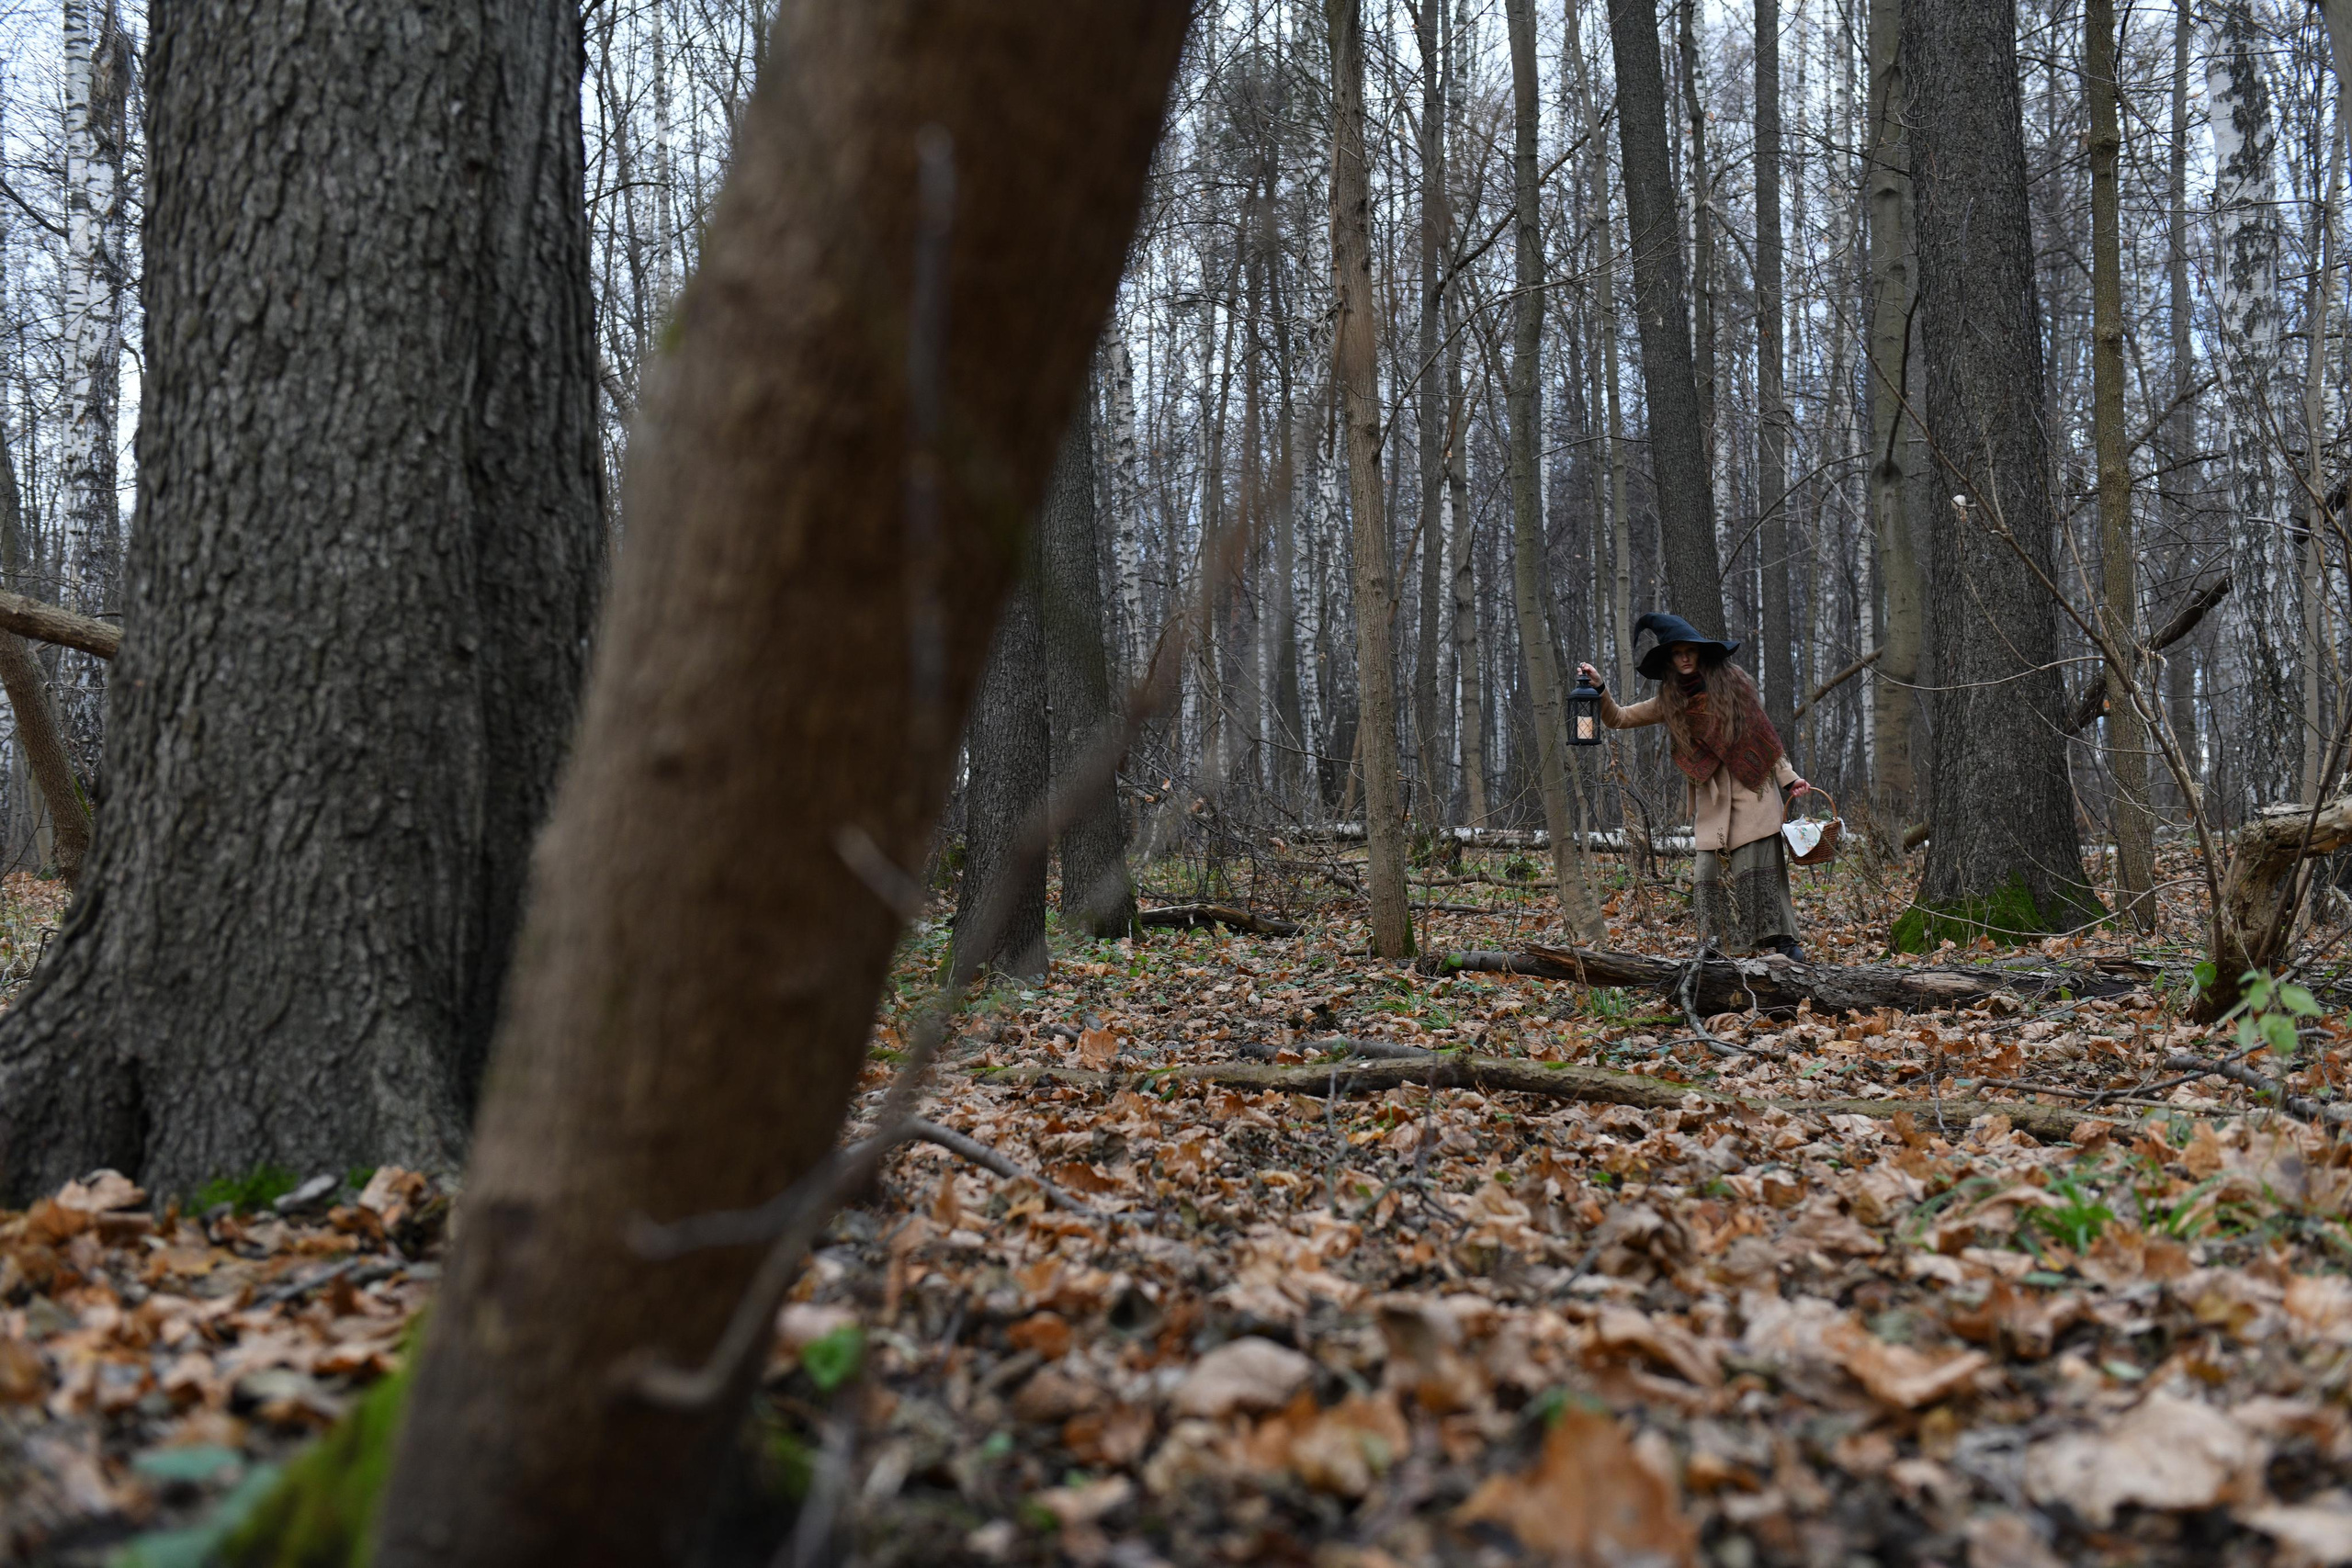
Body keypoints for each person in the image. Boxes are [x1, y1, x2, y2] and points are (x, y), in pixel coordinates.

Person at [1577, 611, 1812, 963]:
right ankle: (1719, 946)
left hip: (1754, 791)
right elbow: (1619, 718)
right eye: (1677, 652)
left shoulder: (1733, 686)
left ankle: (1783, 944)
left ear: (1701, 653)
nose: (1685, 657)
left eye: (1690, 650)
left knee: (1757, 871)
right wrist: (1599, 688)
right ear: (1670, 660)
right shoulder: (1670, 701)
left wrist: (1790, 778)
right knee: (1708, 875)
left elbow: (1765, 737)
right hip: (1713, 799)